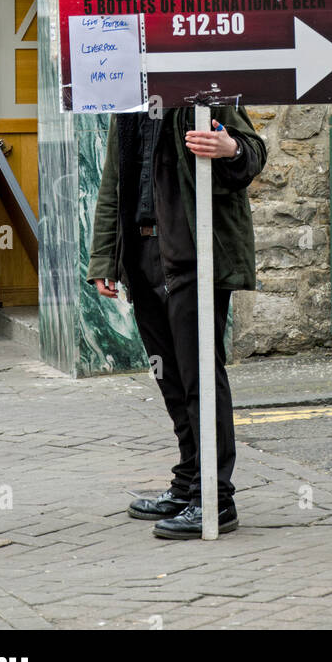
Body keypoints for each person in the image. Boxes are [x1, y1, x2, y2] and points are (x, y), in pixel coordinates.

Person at [88, 104, 266, 538]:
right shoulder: (127, 104)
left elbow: (253, 152)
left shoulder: (203, 95)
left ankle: (216, 500)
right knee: (169, 378)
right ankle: (189, 484)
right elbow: (112, 181)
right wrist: (103, 258)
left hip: (193, 259)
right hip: (143, 253)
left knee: (200, 377)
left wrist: (230, 149)